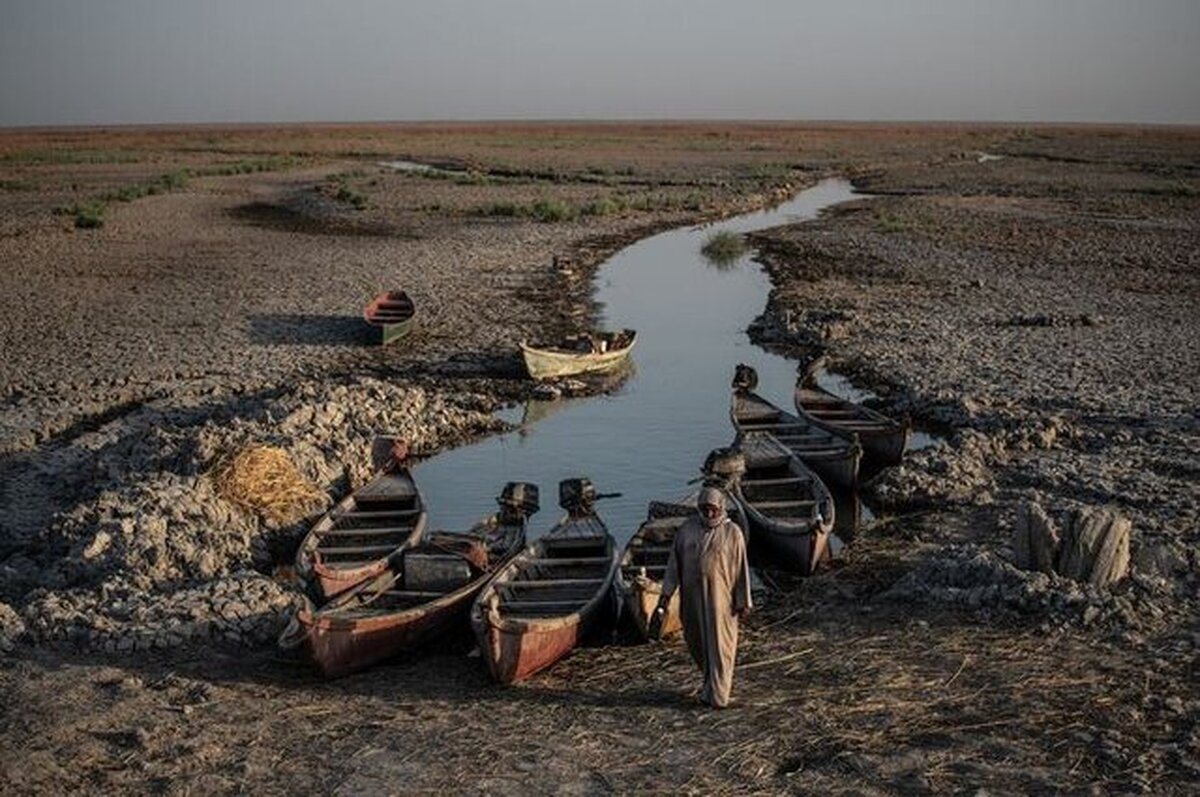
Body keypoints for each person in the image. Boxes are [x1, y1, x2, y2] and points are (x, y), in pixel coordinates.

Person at [651, 486, 752, 708]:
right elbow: (673, 566)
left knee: (721, 646)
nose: (708, 514)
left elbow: (740, 569)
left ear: (721, 508)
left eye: (712, 510)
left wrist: (743, 601)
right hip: (692, 600)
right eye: (704, 509)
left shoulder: (732, 533)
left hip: (721, 602)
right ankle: (709, 686)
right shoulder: (687, 531)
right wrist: (664, 598)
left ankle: (719, 697)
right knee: (697, 643)